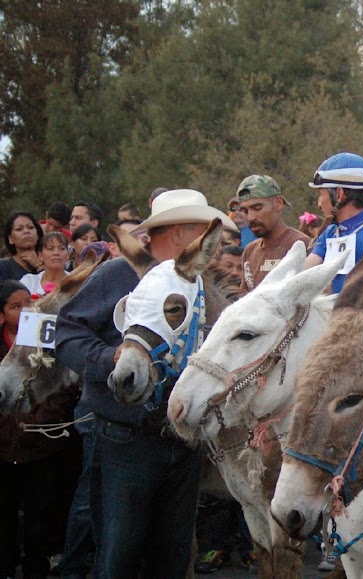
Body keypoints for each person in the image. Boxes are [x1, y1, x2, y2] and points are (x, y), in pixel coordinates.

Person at [55, 189, 236, 579]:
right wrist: (111, 358)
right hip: (126, 439)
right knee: (118, 556)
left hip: (183, 443)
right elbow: (67, 334)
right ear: (178, 234)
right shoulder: (117, 274)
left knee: (172, 559)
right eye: (201, 232)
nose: (211, 245)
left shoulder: (199, 286)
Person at [0, 280, 81, 579]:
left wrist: (34, 424)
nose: (26, 311)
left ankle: (38, 566)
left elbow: (63, 388)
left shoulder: (48, 342)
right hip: (5, 448)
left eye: (28, 303)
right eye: (16, 306)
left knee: (40, 515)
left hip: (42, 447)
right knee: (5, 515)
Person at [304, 152, 363, 301]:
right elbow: (304, 275)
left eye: (321, 194)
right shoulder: (330, 231)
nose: (319, 203)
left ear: (339, 194)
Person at [237, 175, 310, 290]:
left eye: (257, 208)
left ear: (278, 203)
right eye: (244, 211)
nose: (250, 217)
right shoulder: (249, 251)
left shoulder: (300, 244)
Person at [20, 231, 69, 295]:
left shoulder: (77, 282)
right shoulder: (29, 281)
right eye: (50, 249)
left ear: (68, 255)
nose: (56, 253)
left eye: (62, 248)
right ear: (40, 255)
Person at [0, 211, 45, 282]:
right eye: (19, 229)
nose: (26, 231)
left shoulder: (49, 262)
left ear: (38, 235)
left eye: (30, 227)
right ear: (10, 239)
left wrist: (39, 265)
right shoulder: (3, 267)